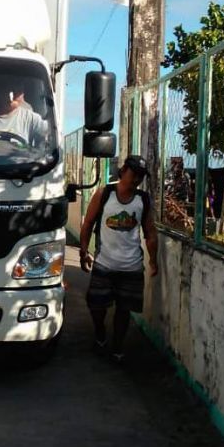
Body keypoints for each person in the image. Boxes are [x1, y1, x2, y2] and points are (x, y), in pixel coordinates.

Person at [79, 155, 159, 363]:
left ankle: (117, 346)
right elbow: (87, 224)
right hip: (104, 264)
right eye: (134, 174)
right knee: (96, 306)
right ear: (123, 171)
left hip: (131, 267)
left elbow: (150, 233)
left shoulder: (143, 200)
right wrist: (83, 251)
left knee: (124, 311)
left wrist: (153, 260)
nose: (136, 180)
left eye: (141, 176)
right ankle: (100, 334)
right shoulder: (104, 194)